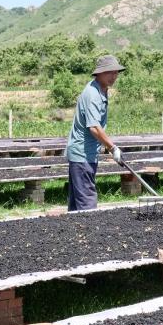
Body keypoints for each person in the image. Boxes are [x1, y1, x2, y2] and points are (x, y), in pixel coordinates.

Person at [64, 55, 125, 211]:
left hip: (86, 153)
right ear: (99, 73)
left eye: (116, 72)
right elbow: (94, 128)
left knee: (76, 207)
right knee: (87, 204)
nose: (114, 76)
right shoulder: (92, 94)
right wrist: (112, 148)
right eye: (109, 72)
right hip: (82, 154)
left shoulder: (101, 90)